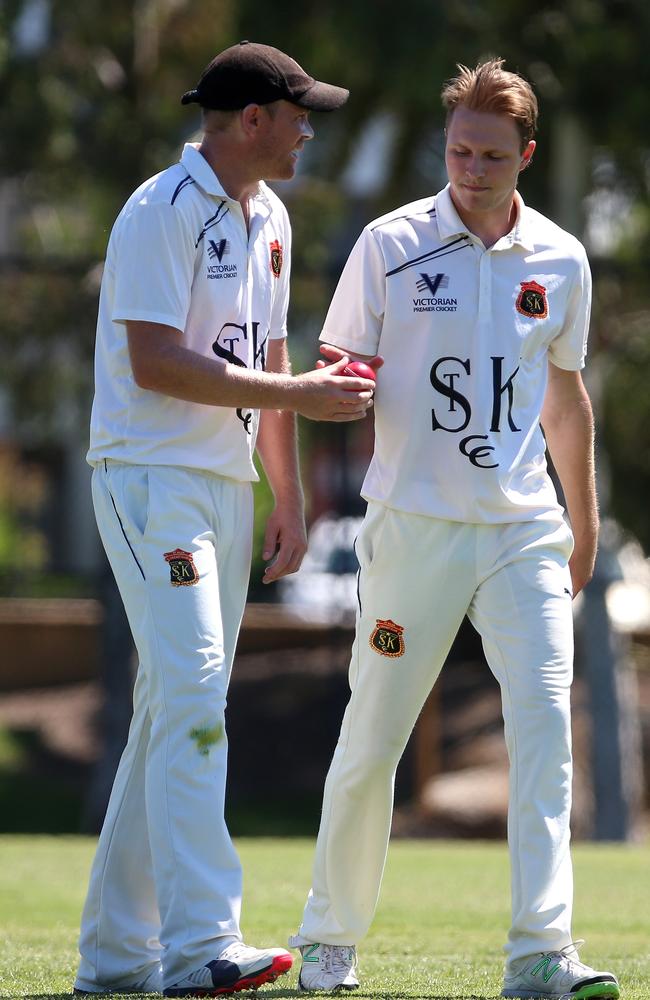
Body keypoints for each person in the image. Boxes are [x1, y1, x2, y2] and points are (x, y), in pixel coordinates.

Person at [289, 59, 621, 1000]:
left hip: (524, 531)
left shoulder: (561, 257)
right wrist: (319, 428)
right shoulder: (389, 244)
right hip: (411, 531)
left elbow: (566, 398)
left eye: (490, 155)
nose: (471, 168)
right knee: (374, 735)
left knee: (547, 731)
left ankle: (540, 953)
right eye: (458, 150)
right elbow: (337, 372)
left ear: (526, 154)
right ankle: (328, 940)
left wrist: (582, 524)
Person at [74, 41, 375, 999]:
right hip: (149, 476)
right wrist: (295, 392)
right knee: (196, 693)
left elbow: (269, 351)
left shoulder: (272, 215)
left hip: (220, 485)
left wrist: (284, 496)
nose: (307, 131)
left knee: (171, 709)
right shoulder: (157, 211)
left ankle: (114, 959)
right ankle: (203, 942)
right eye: (299, 114)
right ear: (253, 119)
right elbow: (157, 362)